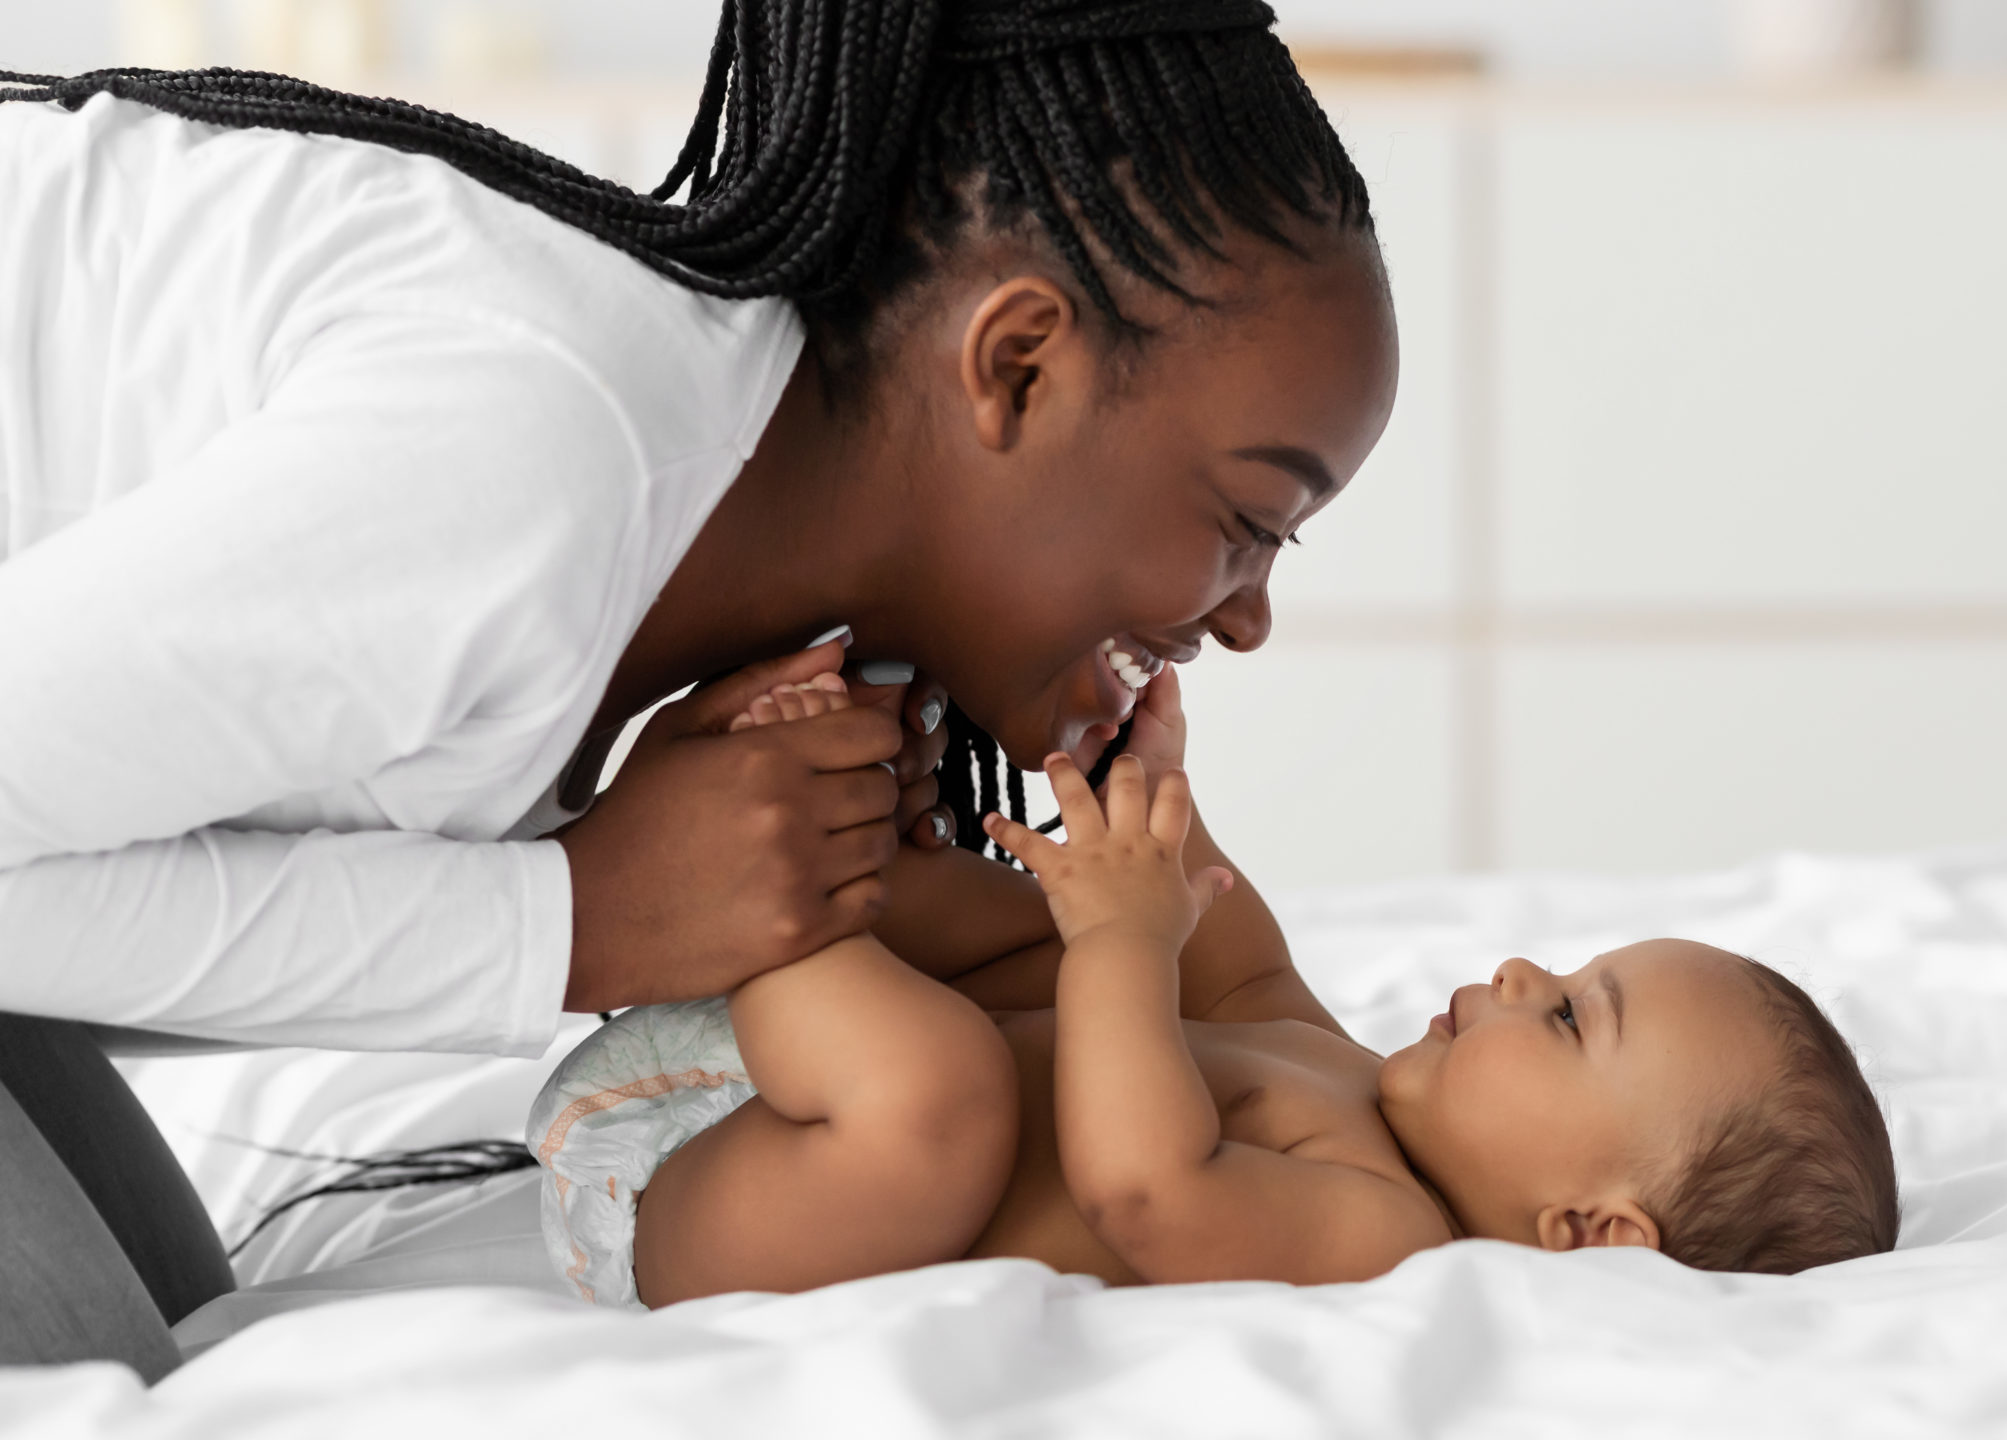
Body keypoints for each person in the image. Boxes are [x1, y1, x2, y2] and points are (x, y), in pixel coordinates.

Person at [0, 0, 1394, 1376]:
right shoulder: (521, 472)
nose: (1256, 616)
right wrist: (571, 923)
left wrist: (596, 885)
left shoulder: (665, 522)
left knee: (186, 1337)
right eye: (1250, 518)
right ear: (1017, 366)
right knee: (112, 1384)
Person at [528, 671, 1900, 1306]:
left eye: (1568, 1018)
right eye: (1571, 969)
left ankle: (765, 897)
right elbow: (1226, 950)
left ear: (1590, 1232)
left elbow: (1148, 1190)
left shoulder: (1384, 1238)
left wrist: (1124, 948)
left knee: (954, 1088)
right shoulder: (1354, 1073)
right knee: (1049, 921)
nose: (1525, 970)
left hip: (694, 1185)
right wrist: (1150, 787)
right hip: (768, 1072)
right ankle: (829, 851)